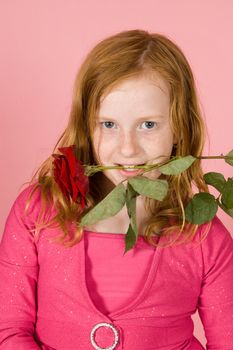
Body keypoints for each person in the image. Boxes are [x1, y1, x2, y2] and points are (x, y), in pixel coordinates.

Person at [0, 29, 232, 350]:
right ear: (87, 126)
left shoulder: (207, 239)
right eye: (108, 125)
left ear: (179, 126)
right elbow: (9, 331)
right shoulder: (36, 212)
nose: (127, 149)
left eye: (148, 125)